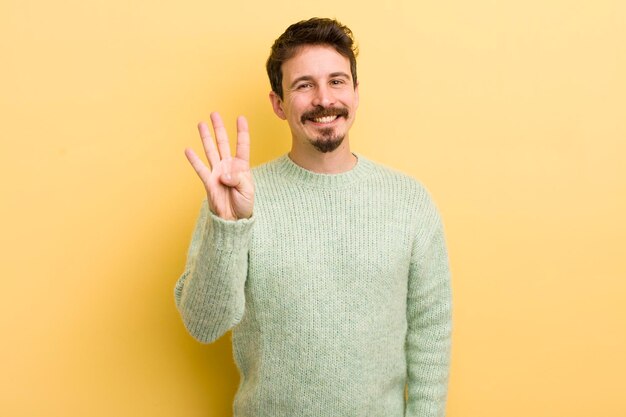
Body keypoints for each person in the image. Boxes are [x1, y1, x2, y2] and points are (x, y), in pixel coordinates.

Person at [175, 17, 452, 417]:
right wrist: (228, 229)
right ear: (278, 103)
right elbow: (204, 325)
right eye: (304, 85)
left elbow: (431, 333)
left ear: (356, 93)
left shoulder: (409, 200)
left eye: (337, 81)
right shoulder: (236, 198)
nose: (324, 99)